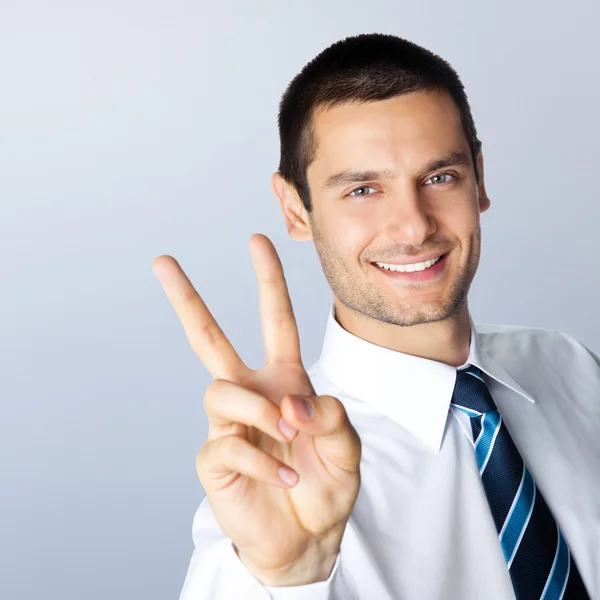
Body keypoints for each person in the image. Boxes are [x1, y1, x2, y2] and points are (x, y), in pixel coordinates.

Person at [152, 33, 599, 599]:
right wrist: (292, 577)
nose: (414, 227)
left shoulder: (570, 366)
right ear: (296, 209)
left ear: (479, 179)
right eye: (363, 189)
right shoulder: (279, 470)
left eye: (440, 177)